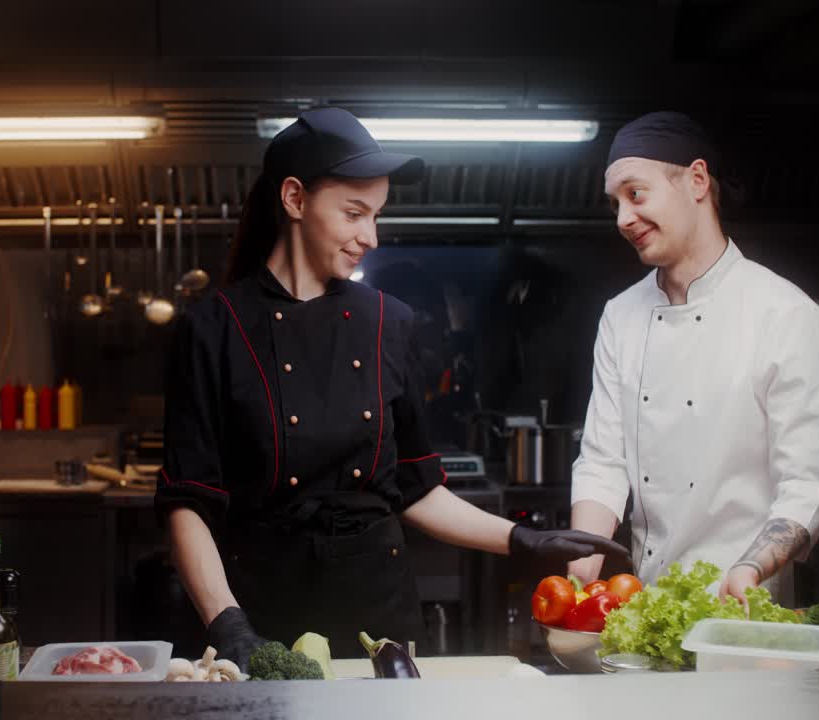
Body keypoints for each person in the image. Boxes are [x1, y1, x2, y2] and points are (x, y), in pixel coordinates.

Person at [156, 107, 627, 668]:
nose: (371, 237)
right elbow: (187, 502)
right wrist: (227, 622)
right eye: (354, 213)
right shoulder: (214, 328)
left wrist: (522, 541)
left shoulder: (390, 322)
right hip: (261, 615)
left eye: (376, 215)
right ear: (293, 199)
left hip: (380, 615)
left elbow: (414, 489)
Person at [567, 111, 819, 606]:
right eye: (614, 203)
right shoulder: (621, 316)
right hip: (648, 603)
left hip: (744, 609)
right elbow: (603, 461)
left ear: (696, 180)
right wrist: (578, 573)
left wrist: (748, 569)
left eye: (635, 194)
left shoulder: (784, 314)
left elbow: (809, 483)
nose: (621, 218)